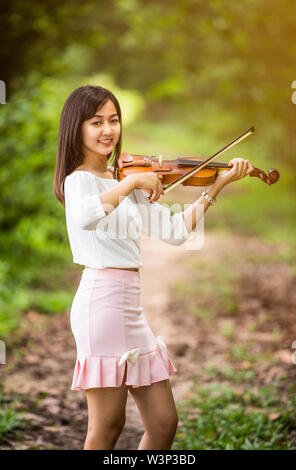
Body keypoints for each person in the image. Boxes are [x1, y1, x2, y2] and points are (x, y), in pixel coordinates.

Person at [53, 85, 254, 450]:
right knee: (107, 425)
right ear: (76, 128)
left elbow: (175, 232)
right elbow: (84, 216)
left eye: (113, 120)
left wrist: (216, 186)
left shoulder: (124, 180)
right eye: (96, 122)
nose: (108, 130)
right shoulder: (79, 180)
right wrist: (131, 181)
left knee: (163, 422)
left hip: (129, 307)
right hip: (100, 304)